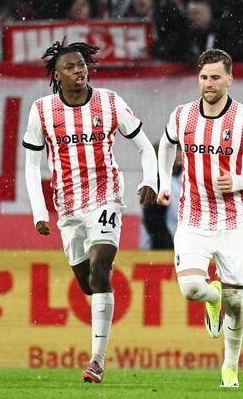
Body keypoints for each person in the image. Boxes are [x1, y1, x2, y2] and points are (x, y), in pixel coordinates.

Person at [22, 41, 158, 383]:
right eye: (70, 67)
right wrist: (39, 212)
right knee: (88, 284)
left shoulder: (110, 101)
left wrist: (151, 179)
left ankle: (96, 360)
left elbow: (144, 145)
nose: (78, 71)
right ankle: (101, 299)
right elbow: (31, 164)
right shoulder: (41, 110)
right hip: (67, 207)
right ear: (57, 75)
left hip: (106, 197)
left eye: (81, 65)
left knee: (100, 268)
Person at [156, 49, 243, 388]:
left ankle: (230, 368)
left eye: (214, 77)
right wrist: (164, 182)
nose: (208, 84)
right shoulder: (182, 116)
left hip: (234, 221)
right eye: (203, 77)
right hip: (193, 217)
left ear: (229, 78)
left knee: (236, 300)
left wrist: (239, 181)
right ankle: (212, 301)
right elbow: (166, 146)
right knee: (192, 288)